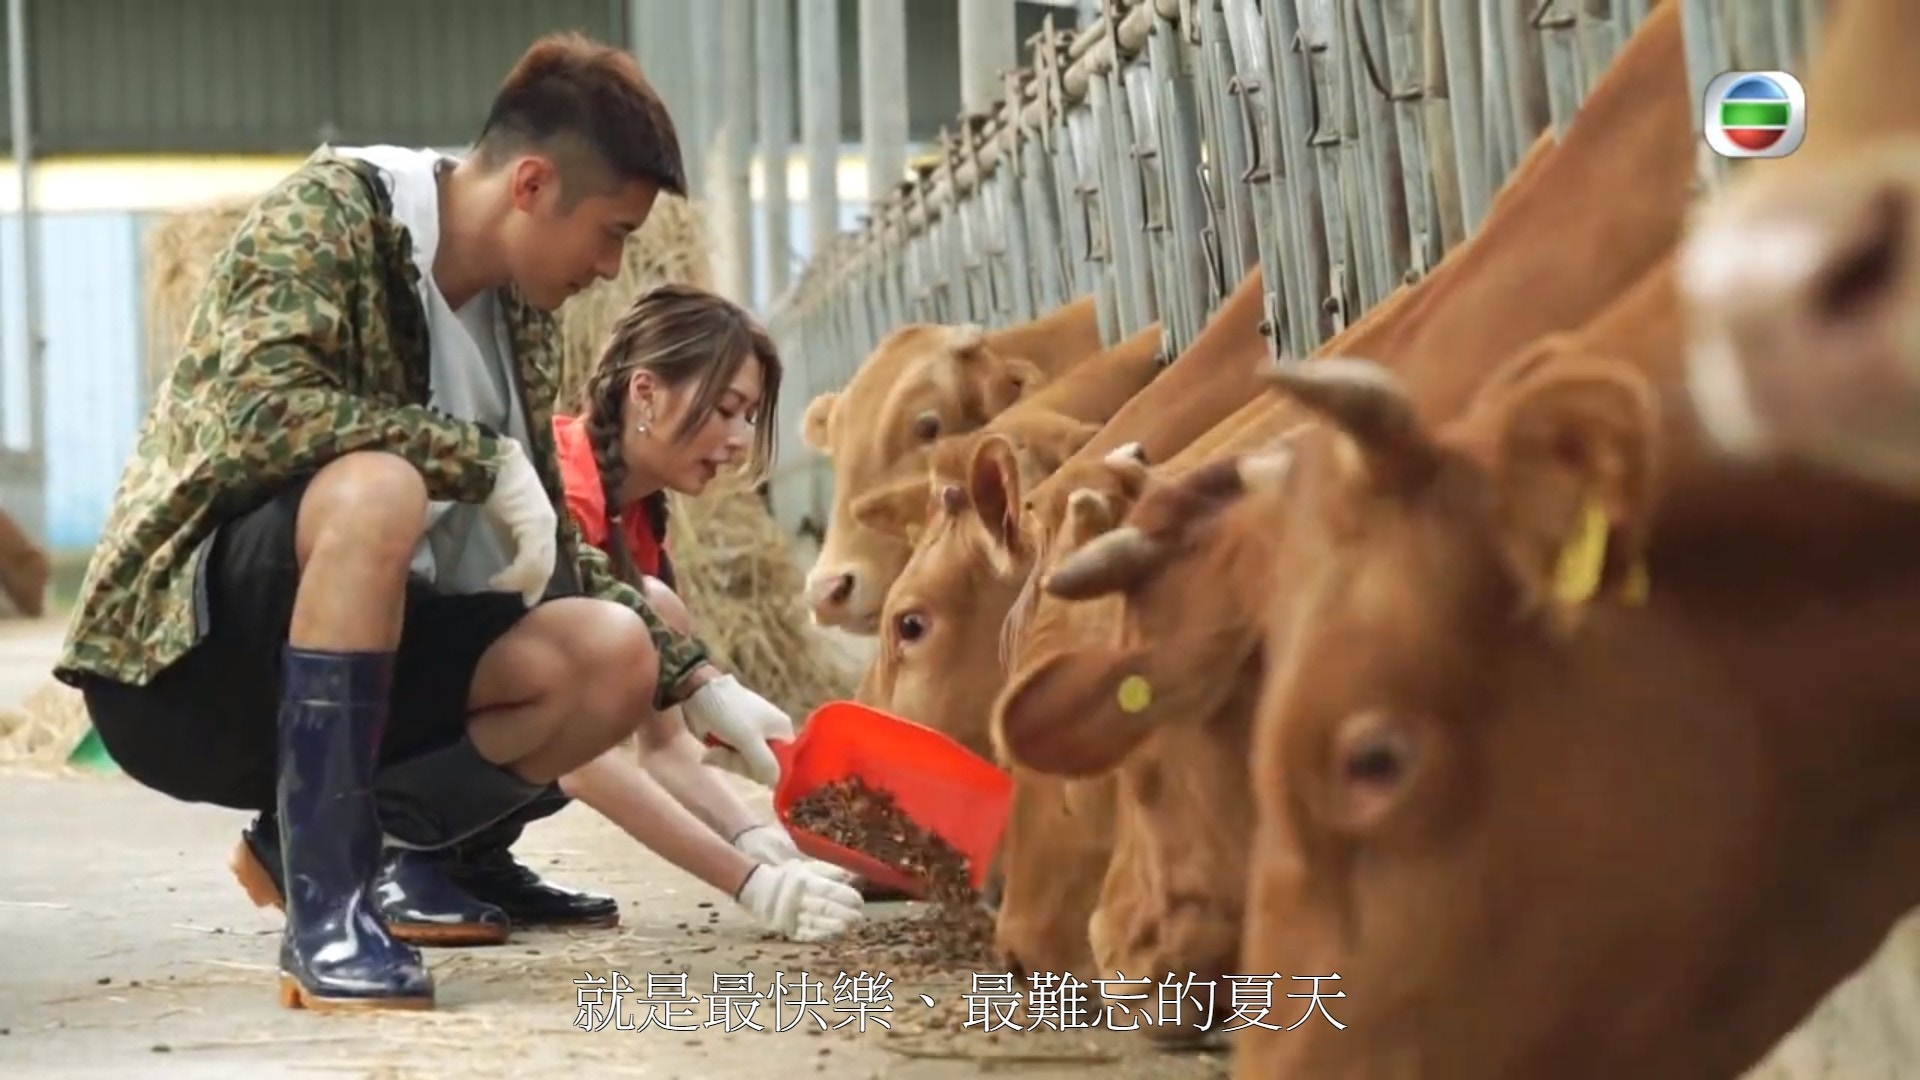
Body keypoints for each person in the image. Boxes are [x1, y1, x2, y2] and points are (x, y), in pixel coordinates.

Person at [53, 32, 858, 1015]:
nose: (612, 266)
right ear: (531, 185)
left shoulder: (518, 316)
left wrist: (696, 679)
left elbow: (554, 547)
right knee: (379, 488)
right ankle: (330, 912)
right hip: (191, 664)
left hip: (367, 668)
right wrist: (475, 458)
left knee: (609, 653)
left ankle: (330, 842)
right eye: (609, 232)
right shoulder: (333, 216)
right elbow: (260, 412)